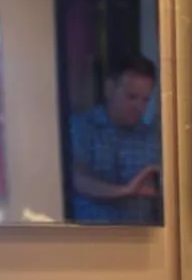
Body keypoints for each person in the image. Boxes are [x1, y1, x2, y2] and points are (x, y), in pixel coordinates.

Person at [69, 54, 161, 223]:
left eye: (145, 100)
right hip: (92, 234)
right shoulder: (81, 127)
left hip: (142, 235)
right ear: (109, 89)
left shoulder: (153, 138)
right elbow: (77, 179)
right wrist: (125, 190)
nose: (139, 106)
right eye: (131, 97)